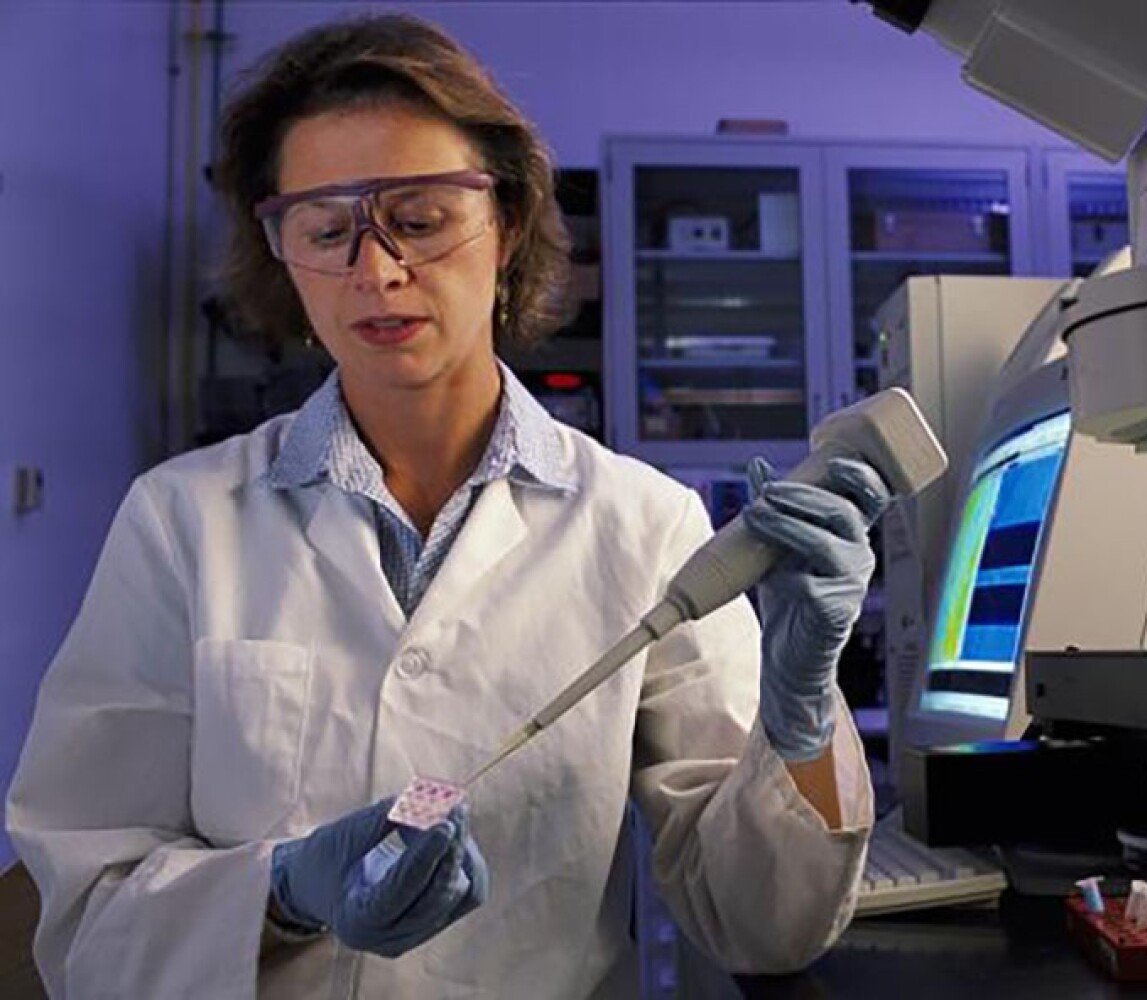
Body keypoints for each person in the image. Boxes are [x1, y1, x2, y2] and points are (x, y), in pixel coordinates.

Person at [5, 13, 885, 998]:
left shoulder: (644, 526)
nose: (376, 270)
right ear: (281, 253)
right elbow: (82, 911)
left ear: (505, 223)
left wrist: (799, 712)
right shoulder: (181, 521)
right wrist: (283, 891)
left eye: (418, 220)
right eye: (327, 230)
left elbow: (759, 925)